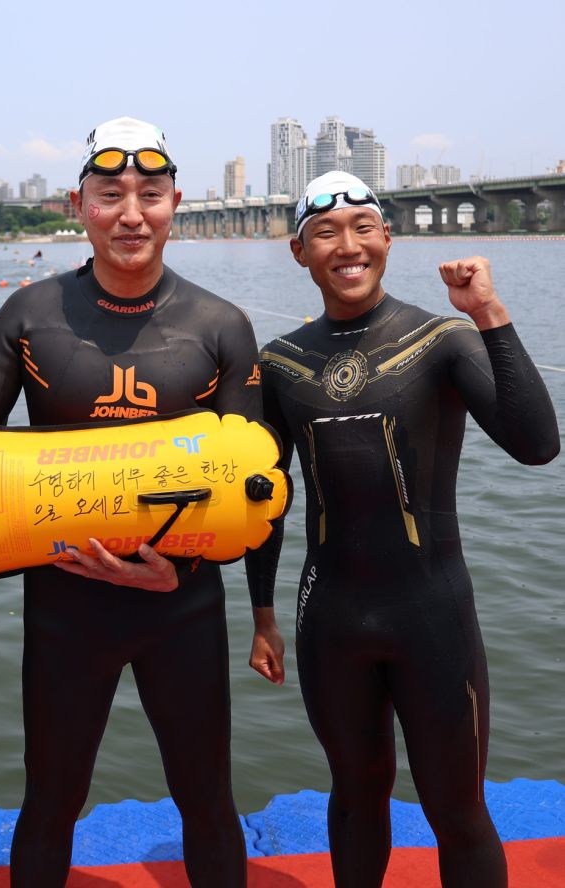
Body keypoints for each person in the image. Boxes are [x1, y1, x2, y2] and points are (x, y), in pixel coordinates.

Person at [0, 117, 260, 887]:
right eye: (110, 195)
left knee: (207, 801)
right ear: (79, 204)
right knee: (50, 802)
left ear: (178, 201)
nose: (131, 213)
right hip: (65, 603)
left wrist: (198, 583)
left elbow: (254, 487)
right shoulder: (32, 315)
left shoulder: (220, 326)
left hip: (183, 602)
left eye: (150, 193)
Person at [246, 170, 560, 888]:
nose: (347, 244)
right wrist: (262, 613)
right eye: (325, 231)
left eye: (363, 227)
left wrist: (488, 312)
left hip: (433, 614)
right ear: (299, 251)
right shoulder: (281, 362)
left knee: (457, 810)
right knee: (356, 800)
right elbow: (267, 498)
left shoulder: (441, 336)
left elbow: (537, 443)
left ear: (387, 238)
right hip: (330, 618)